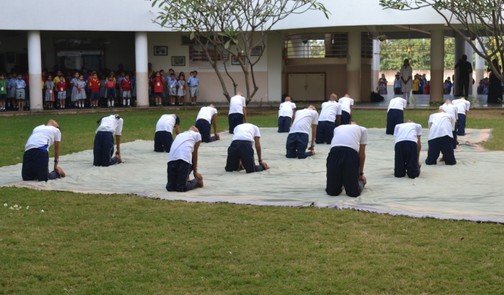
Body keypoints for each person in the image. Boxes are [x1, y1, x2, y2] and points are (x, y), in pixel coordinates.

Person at [326, 123, 367, 197]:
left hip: (350, 153)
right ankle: (342, 181)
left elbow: (362, 154)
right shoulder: (337, 129)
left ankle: (359, 183)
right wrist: (360, 173)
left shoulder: (362, 129)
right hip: (335, 152)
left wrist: (360, 174)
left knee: (353, 193)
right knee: (332, 192)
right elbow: (362, 154)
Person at [166, 126, 204, 192]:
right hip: (175, 160)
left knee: (180, 187)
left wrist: (194, 171)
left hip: (180, 160)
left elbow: (193, 153)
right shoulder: (197, 135)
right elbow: (195, 154)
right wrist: (195, 171)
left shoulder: (180, 135)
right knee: (170, 187)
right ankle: (192, 180)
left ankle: (195, 181)